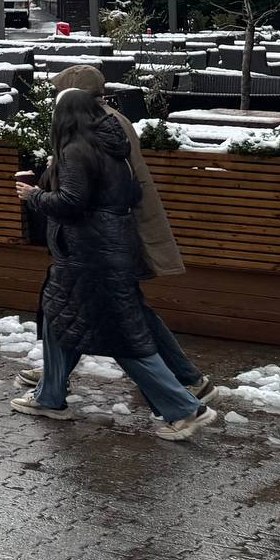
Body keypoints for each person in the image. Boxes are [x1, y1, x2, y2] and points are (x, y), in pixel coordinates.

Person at [14, 87, 219, 438]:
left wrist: (34, 196)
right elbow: (126, 193)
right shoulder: (111, 148)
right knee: (60, 316)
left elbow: (71, 203)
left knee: (122, 336)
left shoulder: (75, 149)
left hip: (89, 256)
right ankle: (49, 396)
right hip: (108, 249)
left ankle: (185, 410)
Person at [47, 61, 216, 402]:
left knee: (118, 315)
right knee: (84, 307)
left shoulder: (96, 126)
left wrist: (46, 193)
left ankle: (185, 385)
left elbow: (96, 186)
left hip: (103, 237)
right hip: (103, 235)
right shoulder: (104, 120)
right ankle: (52, 382)